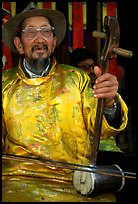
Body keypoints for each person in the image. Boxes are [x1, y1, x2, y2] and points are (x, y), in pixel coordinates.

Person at [2, 2, 128, 202]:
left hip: (76, 182)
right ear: (18, 44)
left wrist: (110, 103)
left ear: (54, 41)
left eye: (45, 31)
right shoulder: (4, 85)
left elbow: (101, 131)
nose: (39, 38)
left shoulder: (77, 79)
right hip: (20, 182)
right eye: (30, 32)